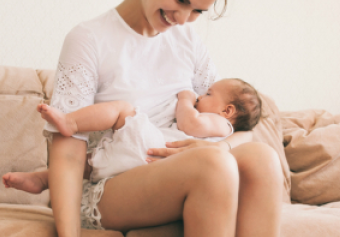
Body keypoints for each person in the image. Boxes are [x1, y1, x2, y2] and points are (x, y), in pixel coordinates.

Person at [19, 0, 283, 237]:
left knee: (263, 159)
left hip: (185, 170)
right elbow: (67, 148)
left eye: (198, 10)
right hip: (114, 182)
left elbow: (234, 125)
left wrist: (217, 147)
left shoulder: (188, 41)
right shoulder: (89, 39)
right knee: (212, 164)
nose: (183, 18)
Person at [14, 78, 262, 183]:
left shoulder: (222, 125)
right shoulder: (222, 126)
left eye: (208, 94)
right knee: (88, 166)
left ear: (227, 111)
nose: (200, 96)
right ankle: (42, 180)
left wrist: (185, 99)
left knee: (123, 110)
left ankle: (72, 123)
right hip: (147, 162)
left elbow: (191, 124)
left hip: (154, 149)